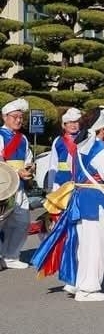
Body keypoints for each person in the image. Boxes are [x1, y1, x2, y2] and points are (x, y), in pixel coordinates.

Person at [32, 107, 104, 301]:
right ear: (103, 128)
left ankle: (78, 283)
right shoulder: (99, 150)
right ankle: (88, 289)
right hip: (96, 201)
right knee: (98, 244)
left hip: (80, 198)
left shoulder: (81, 147)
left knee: (83, 245)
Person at [0, 99, 32, 269]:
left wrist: (29, 168)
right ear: (5, 117)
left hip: (19, 186)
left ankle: (11, 255)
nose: (19, 120)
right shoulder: (0, 135)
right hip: (3, 186)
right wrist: (15, 172)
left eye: (21, 117)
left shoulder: (23, 138)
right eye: (15, 117)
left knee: (22, 221)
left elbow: (27, 157)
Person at [40, 108, 82, 194]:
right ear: (64, 125)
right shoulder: (58, 141)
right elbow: (53, 164)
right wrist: (51, 186)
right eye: (70, 122)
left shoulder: (84, 139)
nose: (73, 125)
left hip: (80, 181)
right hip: (61, 182)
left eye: (76, 122)